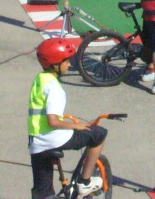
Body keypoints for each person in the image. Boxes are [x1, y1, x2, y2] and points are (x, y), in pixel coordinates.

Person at [29, 38, 108, 199]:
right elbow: (53, 121)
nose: (70, 65)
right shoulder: (55, 89)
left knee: (42, 193)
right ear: (55, 64)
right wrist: (75, 126)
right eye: (66, 61)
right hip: (52, 138)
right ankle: (85, 182)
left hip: (36, 142)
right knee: (98, 133)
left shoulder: (40, 79)